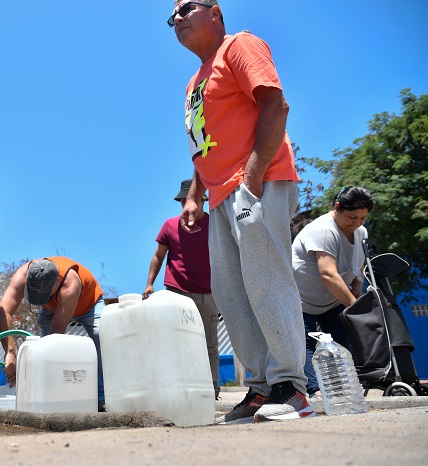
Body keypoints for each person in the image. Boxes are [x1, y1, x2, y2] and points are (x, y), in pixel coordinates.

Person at [170, 0, 315, 423]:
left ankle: (292, 387)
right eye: (171, 16)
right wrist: (196, 193)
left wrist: (251, 180)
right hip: (218, 196)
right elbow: (204, 143)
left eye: (186, 8)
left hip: (258, 180)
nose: (176, 18)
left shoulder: (239, 46)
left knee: (267, 280)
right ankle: (260, 389)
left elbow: (275, 105)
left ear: (215, 12)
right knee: (232, 295)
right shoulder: (194, 82)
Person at [0, 256, 106, 411]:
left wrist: (34, 365)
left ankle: (101, 398)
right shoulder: (23, 275)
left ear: (57, 282)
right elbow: (2, 312)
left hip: (89, 304)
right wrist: (11, 352)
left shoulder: (69, 284)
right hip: (51, 307)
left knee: (101, 336)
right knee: (46, 359)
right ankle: (49, 396)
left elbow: (55, 339)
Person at [292, 186, 374, 397]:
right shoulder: (325, 229)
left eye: (363, 218)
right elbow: (328, 273)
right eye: (352, 217)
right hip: (301, 299)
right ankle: (315, 391)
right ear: (337, 207)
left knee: (342, 340)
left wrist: (357, 287)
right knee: (307, 344)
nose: (357, 223)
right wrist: (356, 309)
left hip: (331, 298)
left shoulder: (360, 231)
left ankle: (342, 388)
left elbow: (359, 265)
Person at [143, 179, 221, 397]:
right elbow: (158, 256)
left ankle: (212, 389)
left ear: (203, 200)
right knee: (175, 341)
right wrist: (149, 283)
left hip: (208, 292)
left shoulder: (216, 224)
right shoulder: (170, 225)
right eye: (183, 202)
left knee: (209, 344)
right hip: (176, 292)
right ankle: (177, 388)